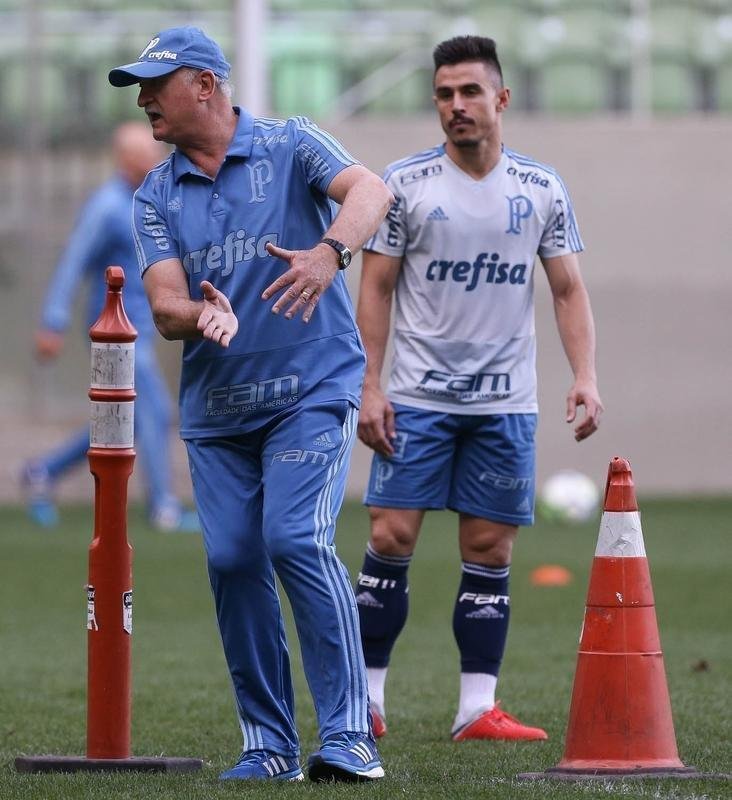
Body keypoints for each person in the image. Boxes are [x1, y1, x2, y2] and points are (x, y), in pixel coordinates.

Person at [108, 26, 393, 783]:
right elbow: (163, 302)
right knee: (234, 558)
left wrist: (328, 252)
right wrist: (193, 315)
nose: (143, 100)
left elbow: (373, 191)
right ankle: (268, 746)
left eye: (153, 83)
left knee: (295, 538)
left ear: (204, 83)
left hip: (311, 391)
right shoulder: (154, 194)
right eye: (138, 87)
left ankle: (349, 736)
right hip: (218, 411)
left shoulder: (292, 142)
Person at [354, 35, 603, 743]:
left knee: (491, 548)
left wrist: (585, 376)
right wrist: (369, 386)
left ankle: (476, 710)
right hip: (417, 397)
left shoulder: (541, 188)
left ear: (501, 99)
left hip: (503, 402)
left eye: (469, 92)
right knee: (390, 535)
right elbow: (374, 288)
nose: (455, 106)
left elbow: (567, 289)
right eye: (443, 94)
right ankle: (366, 703)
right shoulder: (404, 184)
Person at [21, 122, 199, 533]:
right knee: (150, 410)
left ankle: (43, 471)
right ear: (126, 159)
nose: (155, 156)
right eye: (145, 152)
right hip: (115, 332)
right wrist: (53, 322)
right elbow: (73, 262)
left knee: (127, 419)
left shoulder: (146, 199)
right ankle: (163, 506)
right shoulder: (106, 206)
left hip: (142, 328)